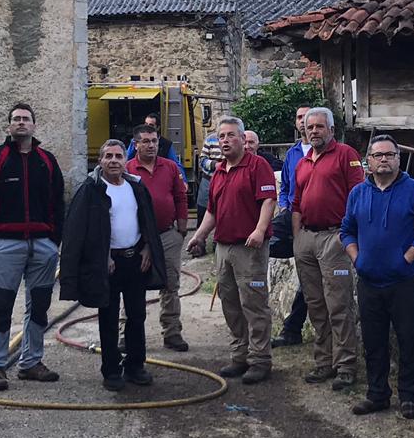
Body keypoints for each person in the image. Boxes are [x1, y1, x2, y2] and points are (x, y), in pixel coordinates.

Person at [340, 134, 414, 418]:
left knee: (408, 339)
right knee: (373, 341)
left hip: (403, 280)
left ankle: (410, 396)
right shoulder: (358, 193)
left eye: (389, 155)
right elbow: (346, 229)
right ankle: (377, 394)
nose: (383, 159)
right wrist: (356, 257)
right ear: (368, 161)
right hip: (369, 280)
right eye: (378, 155)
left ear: (398, 158)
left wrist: (406, 258)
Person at [58, 139, 168, 390]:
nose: (114, 161)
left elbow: (147, 221)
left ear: (124, 160)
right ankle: (111, 371)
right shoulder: (91, 190)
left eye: (118, 156)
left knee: (137, 315)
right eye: (108, 156)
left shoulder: (135, 187)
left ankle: (135, 366)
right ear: (101, 161)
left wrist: (148, 248)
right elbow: (80, 230)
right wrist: (102, 256)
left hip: (135, 261)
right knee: (108, 318)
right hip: (108, 264)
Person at [0, 102, 66, 390]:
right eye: (16, 119)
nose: (21, 123)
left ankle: (30, 362)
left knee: (39, 306)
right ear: (8, 126)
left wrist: (54, 241)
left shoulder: (47, 161)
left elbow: (58, 203)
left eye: (26, 119)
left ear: (34, 126)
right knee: (1, 306)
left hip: (42, 245)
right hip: (7, 244)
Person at [187, 115, 277, 384]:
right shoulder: (219, 171)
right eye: (221, 137)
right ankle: (240, 355)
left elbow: (269, 200)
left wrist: (260, 230)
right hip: (223, 247)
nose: (225, 141)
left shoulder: (257, 165)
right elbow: (213, 211)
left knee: (254, 303)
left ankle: (260, 359)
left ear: (241, 138)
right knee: (231, 304)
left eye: (230, 136)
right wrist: (199, 236)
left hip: (249, 248)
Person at [292, 107, 364, 392]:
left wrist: (348, 236)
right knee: (315, 305)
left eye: (320, 127)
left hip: (335, 237)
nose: (314, 131)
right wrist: (298, 239)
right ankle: (324, 361)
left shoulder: (346, 155)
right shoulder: (303, 162)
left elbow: (357, 196)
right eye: (310, 127)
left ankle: (346, 365)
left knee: (338, 304)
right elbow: (296, 203)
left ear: (331, 130)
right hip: (307, 239)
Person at [126, 122, 190, 352]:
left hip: (167, 235)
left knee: (170, 284)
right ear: (136, 145)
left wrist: (181, 228)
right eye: (145, 141)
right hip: (137, 239)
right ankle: (129, 335)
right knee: (133, 285)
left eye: (154, 141)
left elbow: (180, 196)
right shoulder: (127, 170)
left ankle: (172, 333)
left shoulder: (170, 167)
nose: (151, 145)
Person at [272, 105, 312, 348]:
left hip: (315, 222)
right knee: (258, 243)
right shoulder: (292, 153)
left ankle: (292, 330)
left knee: (308, 279)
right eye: (299, 117)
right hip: (290, 216)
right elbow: (285, 187)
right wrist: (285, 207)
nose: (303, 122)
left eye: (307, 117)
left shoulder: (331, 152)